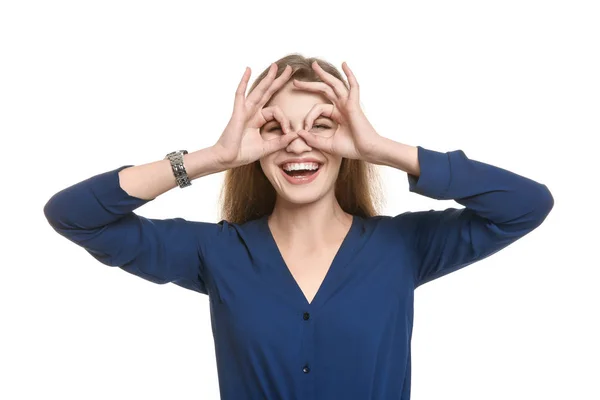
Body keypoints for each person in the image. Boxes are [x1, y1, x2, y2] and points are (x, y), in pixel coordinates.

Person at [43, 54, 554, 399]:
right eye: (274, 128)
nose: (296, 143)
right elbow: (73, 214)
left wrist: (382, 150)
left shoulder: (402, 248)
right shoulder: (216, 254)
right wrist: (211, 158)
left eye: (321, 126)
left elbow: (526, 204)